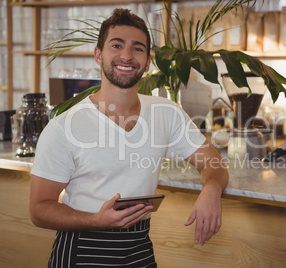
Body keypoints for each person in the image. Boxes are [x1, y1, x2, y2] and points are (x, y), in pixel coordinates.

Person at [29, 8, 228, 268]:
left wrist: (211, 190)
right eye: (116, 45)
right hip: (82, 247)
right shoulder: (64, 127)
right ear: (98, 55)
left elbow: (212, 162)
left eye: (137, 48)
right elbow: (38, 209)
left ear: (147, 63)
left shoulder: (165, 112)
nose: (126, 55)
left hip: (139, 248)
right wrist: (95, 221)